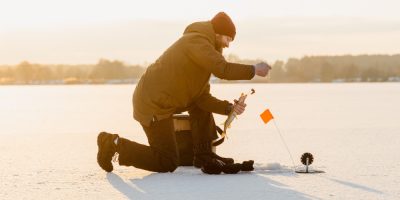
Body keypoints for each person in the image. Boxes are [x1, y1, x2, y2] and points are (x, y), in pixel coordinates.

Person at [97, 12, 271, 173]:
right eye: (228, 38)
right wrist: (254, 69)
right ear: (217, 33)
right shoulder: (196, 42)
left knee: (199, 106)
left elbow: (201, 97)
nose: (228, 44)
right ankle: (112, 144)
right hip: (152, 104)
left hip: (166, 101)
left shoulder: (205, 50)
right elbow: (223, 70)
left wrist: (228, 108)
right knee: (167, 161)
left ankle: (204, 156)